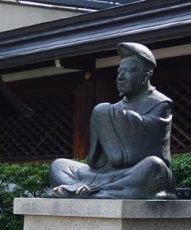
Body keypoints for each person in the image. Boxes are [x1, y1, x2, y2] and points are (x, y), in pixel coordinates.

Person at [49, 42, 175, 199]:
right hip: (109, 174)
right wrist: (108, 115)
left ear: (145, 76)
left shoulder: (160, 104)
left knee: (154, 166)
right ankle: (96, 191)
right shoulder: (114, 108)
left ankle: (93, 190)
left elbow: (145, 148)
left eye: (127, 72)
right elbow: (95, 160)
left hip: (136, 170)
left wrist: (112, 116)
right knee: (59, 165)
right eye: (119, 72)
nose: (120, 77)